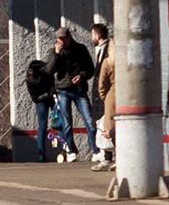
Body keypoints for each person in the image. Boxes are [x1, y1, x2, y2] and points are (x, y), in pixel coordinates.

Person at [44, 26, 97, 162]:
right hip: (63, 90)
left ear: (69, 37)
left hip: (79, 90)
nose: (61, 41)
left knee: (89, 120)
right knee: (66, 122)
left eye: (63, 38)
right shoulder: (55, 51)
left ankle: (95, 149)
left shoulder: (80, 49)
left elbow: (90, 69)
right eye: (59, 39)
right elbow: (49, 71)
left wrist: (82, 76)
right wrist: (56, 54)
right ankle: (71, 150)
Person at [25, 59, 68, 161]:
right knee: (43, 126)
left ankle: (65, 148)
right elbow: (35, 98)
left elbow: (53, 83)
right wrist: (49, 93)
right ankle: (41, 154)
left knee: (57, 123)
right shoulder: (31, 80)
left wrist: (53, 94)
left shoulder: (45, 73)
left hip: (50, 98)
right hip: (42, 100)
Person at [90, 23, 116, 172]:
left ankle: (107, 157)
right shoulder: (102, 50)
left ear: (97, 35)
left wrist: (103, 96)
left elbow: (102, 80)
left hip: (108, 97)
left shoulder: (107, 53)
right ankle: (105, 156)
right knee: (105, 126)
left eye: (92, 34)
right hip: (108, 96)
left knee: (108, 126)